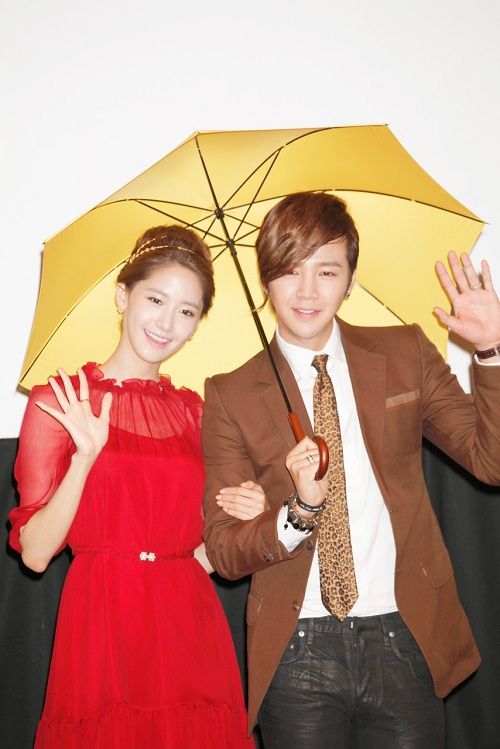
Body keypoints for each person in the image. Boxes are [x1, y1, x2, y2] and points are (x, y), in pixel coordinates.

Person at [201, 191, 500, 748]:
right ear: (266, 280)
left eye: (327, 271)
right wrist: (298, 511)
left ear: (351, 281)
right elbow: (224, 552)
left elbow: (491, 461)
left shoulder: (405, 352)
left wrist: (490, 352)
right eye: (290, 270)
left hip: (406, 633)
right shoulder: (229, 393)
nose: (306, 291)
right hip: (297, 650)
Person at [8, 225, 263, 748]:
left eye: (187, 311)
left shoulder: (198, 413)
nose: (167, 323)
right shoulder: (60, 400)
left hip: (188, 624)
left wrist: (246, 514)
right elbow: (34, 553)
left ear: (197, 325)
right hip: (101, 622)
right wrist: (83, 460)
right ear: (123, 296)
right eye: (156, 299)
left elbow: (211, 551)